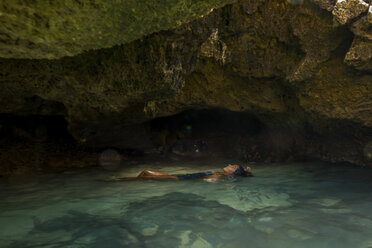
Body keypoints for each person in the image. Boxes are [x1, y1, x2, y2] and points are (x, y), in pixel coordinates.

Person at [108, 164, 252, 182]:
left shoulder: (220, 175)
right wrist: (246, 171)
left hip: (180, 178)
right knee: (145, 173)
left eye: (232, 166)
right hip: (185, 176)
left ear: (233, 172)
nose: (229, 164)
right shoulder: (221, 173)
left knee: (145, 175)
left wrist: (208, 180)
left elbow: (206, 179)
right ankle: (123, 180)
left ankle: (118, 181)